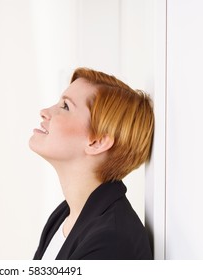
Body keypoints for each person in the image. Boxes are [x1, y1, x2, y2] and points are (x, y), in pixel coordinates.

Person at [29, 67, 154, 260]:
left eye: (65, 106)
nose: (45, 112)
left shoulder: (111, 240)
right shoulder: (64, 215)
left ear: (97, 142)